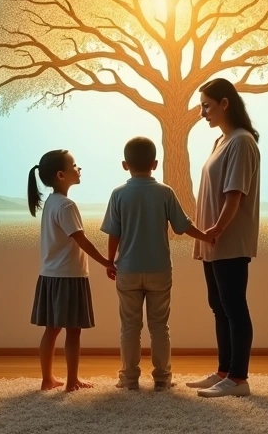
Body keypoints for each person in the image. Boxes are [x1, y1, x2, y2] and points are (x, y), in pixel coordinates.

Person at [101, 136, 214, 391]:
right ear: (155, 163)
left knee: (130, 327)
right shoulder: (165, 192)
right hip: (160, 270)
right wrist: (207, 236)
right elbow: (183, 227)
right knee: (159, 326)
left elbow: (114, 233)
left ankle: (129, 379)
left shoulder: (118, 194)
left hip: (128, 269)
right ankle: (162, 379)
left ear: (124, 164)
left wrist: (110, 261)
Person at [184, 78, 262, 398]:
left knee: (233, 306)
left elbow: (235, 195)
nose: (202, 112)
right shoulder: (221, 142)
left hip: (228, 239)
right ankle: (224, 371)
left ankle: (238, 379)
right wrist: (206, 233)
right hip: (213, 240)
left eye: (206, 105)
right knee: (218, 305)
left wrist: (216, 228)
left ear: (225, 103)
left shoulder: (242, 142)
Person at [28, 149, 116, 392]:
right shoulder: (66, 205)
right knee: (73, 332)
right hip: (69, 277)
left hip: (50, 275)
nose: (79, 169)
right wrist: (107, 262)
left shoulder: (52, 203)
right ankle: (71, 381)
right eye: (75, 165)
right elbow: (82, 240)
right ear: (61, 175)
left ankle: (48, 379)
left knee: (52, 329)